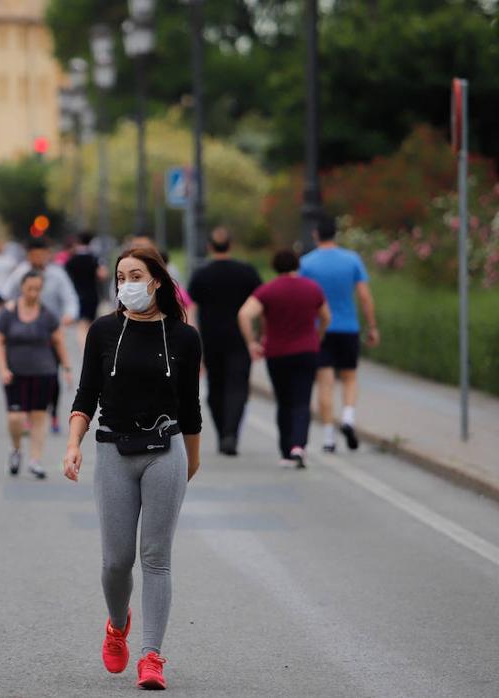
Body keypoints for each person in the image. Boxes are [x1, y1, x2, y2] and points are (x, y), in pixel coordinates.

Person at [63, 245, 202, 691]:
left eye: (136, 275)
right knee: (116, 562)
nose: (127, 285)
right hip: (112, 452)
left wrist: (190, 461)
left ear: (157, 280)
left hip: (166, 450)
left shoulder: (184, 337)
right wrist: (73, 445)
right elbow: (86, 395)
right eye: (122, 277)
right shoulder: (104, 331)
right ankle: (117, 624)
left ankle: (151, 656)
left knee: (156, 559)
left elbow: (191, 408)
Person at [238, 250, 331, 468]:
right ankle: (299, 446)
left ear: (274, 266)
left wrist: (252, 342)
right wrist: (318, 336)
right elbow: (326, 316)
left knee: (284, 401)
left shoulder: (268, 290)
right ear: (297, 264)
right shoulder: (312, 288)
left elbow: (244, 314)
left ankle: (286, 451)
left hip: (277, 353)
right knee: (302, 400)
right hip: (307, 351)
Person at [300, 214, 380, 453]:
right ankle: (348, 417)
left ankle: (328, 438)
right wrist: (372, 326)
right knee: (350, 377)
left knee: (324, 382)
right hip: (348, 328)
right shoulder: (352, 260)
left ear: (316, 235)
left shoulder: (307, 263)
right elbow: (364, 296)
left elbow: (303, 298)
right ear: (336, 234)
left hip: (320, 330)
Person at [186, 228, 263, 456]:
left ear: (210, 247)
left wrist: (193, 337)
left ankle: (222, 432)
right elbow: (261, 303)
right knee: (238, 386)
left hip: (211, 338)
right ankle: (230, 433)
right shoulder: (246, 272)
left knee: (216, 387)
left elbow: (191, 308)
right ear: (231, 245)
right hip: (241, 337)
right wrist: (261, 333)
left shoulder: (201, 273)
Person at [0, 271, 72, 479]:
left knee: (39, 415)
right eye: (30, 288)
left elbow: (59, 341)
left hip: (43, 371)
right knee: (15, 417)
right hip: (15, 373)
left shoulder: (47, 314)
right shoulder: (9, 313)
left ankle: (35, 460)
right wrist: (3, 368)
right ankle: (16, 449)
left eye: (37, 289)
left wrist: (66, 368)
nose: (33, 293)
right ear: (22, 288)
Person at [0, 238, 79, 433]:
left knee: (51, 375)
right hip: (25, 332)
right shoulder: (20, 273)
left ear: (48, 254)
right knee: (26, 376)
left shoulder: (57, 274)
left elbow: (70, 297)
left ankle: (52, 414)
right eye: (34, 254)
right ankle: (26, 414)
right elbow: (4, 294)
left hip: (51, 332)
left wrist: (69, 314)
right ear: (29, 255)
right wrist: (8, 307)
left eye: (42, 254)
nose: (39, 258)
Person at [65, 231, 108, 347]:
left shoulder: (71, 260)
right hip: (93, 294)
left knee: (82, 325)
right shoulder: (95, 259)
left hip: (77, 294)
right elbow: (103, 275)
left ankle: (85, 349)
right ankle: (89, 349)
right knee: (90, 324)